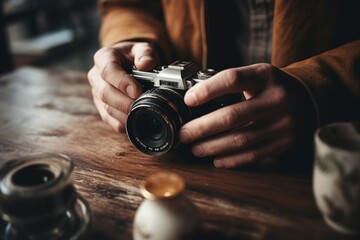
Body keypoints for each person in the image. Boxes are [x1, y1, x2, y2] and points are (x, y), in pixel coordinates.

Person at [87, 0, 360, 169]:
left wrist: (316, 89)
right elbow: (128, 5)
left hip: (326, 161)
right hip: (190, 169)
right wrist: (131, 49)